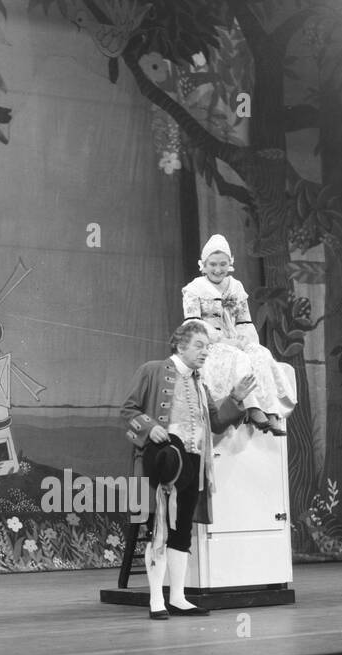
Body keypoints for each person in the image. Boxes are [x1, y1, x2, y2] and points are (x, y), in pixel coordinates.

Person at [121, 319, 251, 619]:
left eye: (207, 347)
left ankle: (178, 597)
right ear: (180, 346)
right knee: (159, 530)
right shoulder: (152, 370)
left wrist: (235, 399)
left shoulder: (199, 384)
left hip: (193, 463)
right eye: (199, 346)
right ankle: (156, 598)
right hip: (163, 463)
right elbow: (128, 410)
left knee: (181, 533)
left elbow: (217, 423)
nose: (205, 352)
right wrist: (150, 428)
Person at [182, 234, 297, 436]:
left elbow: (244, 320)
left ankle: (269, 410)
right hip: (209, 344)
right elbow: (193, 324)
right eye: (213, 264)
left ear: (230, 263)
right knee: (239, 358)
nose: (218, 269)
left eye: (223, 264)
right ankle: (252, 407)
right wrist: (222, 340)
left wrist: (244, 338)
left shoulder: (236, 287)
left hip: (235, 339)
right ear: (204, 264)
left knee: (260, 354)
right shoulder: (194, 289)